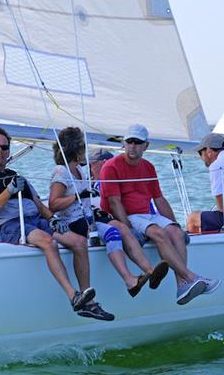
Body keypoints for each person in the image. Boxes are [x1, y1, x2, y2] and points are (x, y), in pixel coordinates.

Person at [0, 127, 108, 320]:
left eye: (4, 148)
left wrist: (52, 219)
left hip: (36, 219)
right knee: (48, 242)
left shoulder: (19, 177)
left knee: (78, 242)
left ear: (9, 151)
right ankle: (73, 296)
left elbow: (39, 205)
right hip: (13, 224)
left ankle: (88, 301)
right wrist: (9, 190)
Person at [99, 124, 220, 305]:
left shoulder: (148, 167)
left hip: (146, 215)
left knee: (177, 234)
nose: (132, 146)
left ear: (145, 146)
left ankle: (182, 286)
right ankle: (190, 276)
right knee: (158, 233)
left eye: (137, 142)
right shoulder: (111, 166)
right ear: (124, 143)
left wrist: (174, 223)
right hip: (127, 216)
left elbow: (159, 199)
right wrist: (129, 229)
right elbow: (114, 202)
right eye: (129, 142)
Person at [48, 127, 166, 304]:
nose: (85, 150)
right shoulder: (61, 171)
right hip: (72, 221)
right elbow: (53, 204)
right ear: (76, 148)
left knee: (123, 228)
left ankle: (150, 271)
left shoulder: (79, 170)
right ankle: (129, 280)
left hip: (87, 216)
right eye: (83, 145)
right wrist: (78, 196)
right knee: (113, 233)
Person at [86, 147, 170, 296]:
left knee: (121, 229)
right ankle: (150, 271)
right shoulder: (92, 184)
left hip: (112, 220)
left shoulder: (103, 183)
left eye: (92, 164)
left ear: (103, 163)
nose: (89, 169)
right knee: (121, 229)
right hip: (114, 221)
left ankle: (148, 272)